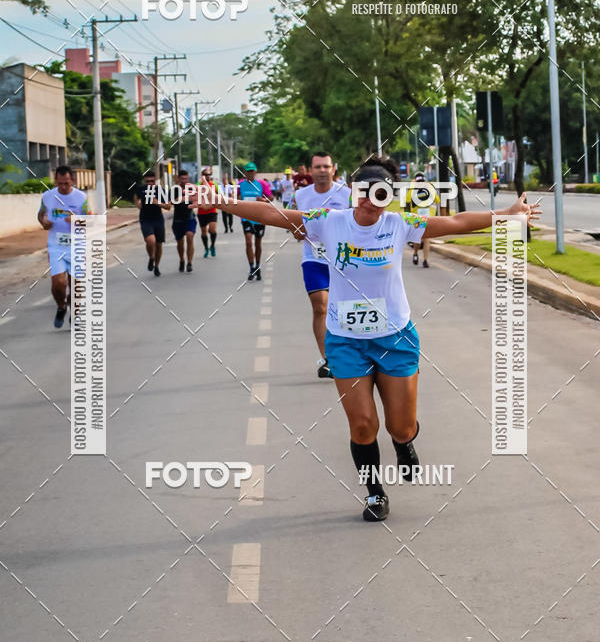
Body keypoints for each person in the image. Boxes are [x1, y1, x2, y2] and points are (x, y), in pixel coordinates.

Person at [204, 156, 541, 522]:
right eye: (363, 191)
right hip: (346, 341)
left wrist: (507, 213)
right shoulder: (329, 222)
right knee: (363, 425)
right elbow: (273, 214)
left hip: (395, 338)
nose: (369, 200)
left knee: (401, 425)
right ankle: (375, 493)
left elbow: (455, 222)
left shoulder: (400, 224)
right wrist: (220, 201)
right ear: (352, 191)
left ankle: (403, 442)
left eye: (379, 193)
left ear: (388, 195)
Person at [290, 151, 351, 379]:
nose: (322, 171)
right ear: (310, 170)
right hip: (314, 259)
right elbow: (294, 230)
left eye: (326, 166)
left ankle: (348, 354)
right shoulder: (300, 196)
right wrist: (302, 229)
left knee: (344, 308)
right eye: (318, 167)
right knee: (321, 307)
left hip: (343, 260)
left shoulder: (347, 194)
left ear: (333, 169)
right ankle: (329, 360)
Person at [37, 164, 90, 328]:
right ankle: (61, 307)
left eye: (66, 183)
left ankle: (75, 314)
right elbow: (41, 215)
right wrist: (44, 222)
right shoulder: (47, 196)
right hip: (56, 246)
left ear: (72, 180)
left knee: (75, 285)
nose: (63, 187)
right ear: (56, 181)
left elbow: (90, 220)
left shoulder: (81, 197)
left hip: (77, 245)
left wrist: (77, 221)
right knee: (58, 284)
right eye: (60, 183)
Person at [236, 162, 273, 281]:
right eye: (248, 171)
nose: (251, 174)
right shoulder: (240, 185)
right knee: (248, 241)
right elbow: (236, 199)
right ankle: (251, 267)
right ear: (245, 173)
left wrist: (262, 200)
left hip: (259, 218)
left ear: (255, 172)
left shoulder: (262, 184)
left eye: (253, 171)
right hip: (246, 217)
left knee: (258, 243)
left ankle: (257, 266)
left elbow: (270, 198)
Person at [133, 171, 170, 277]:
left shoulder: (160, 191)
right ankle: (151, 258)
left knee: (159, 244)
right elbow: (136, 196)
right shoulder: (141, 189)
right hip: (145, 219)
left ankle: (157, 266)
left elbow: (168, 207)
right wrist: (137, 203)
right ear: (145, 181)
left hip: (158, 219)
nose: (150, 183)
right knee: (150, 241)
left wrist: (158, 203)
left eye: (152, 181)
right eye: (147, 181)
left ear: (155, 181)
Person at [409, 171, 439, 269]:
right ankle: (416, 253)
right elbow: (437, 200)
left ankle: (425, 260)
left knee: (425, 238)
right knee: (422, 239)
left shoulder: (412, 189)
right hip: (418, 217)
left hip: (423, 217)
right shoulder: (428, 188)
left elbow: (406, 201)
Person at [172, 170, 197, 272]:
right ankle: (182, 260)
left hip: (190, 218)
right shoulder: (174, 190)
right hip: (178, 220)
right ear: (178, 179)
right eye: (182, 179)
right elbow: (171, 202)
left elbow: (197, 198)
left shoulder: (192, 189)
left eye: (186, 178)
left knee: (190, 236)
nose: (184, 180)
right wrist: (182, 198)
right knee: (180, 242)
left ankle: (189, 262)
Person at [197, 167, 219, 257]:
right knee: (204, 232)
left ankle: (212, 246)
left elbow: (218, 197)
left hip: (212, 210)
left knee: (212, 229)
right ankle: (206, 248)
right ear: (202, 176)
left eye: (209, 175)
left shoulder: (214, 185)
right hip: (201, 212)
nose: (208, 176)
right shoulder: (198, 185)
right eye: (206, 175)